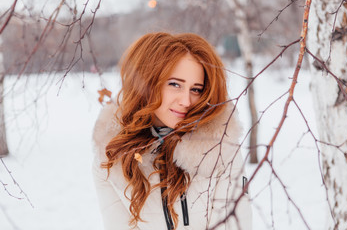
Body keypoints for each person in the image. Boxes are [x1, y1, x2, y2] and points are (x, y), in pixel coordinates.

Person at [92, 32, 252, 230]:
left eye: (195, 89)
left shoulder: (220, 147)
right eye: (175, 84)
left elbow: (234, 225)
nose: (186, 101)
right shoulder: (111, 156)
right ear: (147, 83)